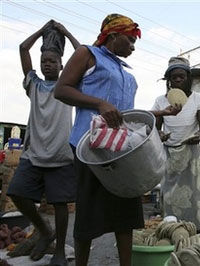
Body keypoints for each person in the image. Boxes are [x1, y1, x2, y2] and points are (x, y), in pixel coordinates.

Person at [54, 14, 179, 266]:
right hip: (91, 146)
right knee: (88, 214)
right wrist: (99, 103)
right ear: (113, 35)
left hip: (122, 150)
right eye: (130, 40)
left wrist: (160, 114)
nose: (133, 47)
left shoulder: (124, 72)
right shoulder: (87, 54)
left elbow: (123, 114)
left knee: (127, 214)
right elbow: (62, 89)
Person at [7, 20, 79, 266]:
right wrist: (41, 31)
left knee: (60, 204)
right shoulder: (34, 85)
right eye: (44, 61)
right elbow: (22, 49)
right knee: (16, 192)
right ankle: (44, 230)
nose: (47, 64)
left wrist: (66, 32)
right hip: (33, 153)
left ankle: (59, 250)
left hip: (60, 154)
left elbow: (82, 58)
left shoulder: (66, 86)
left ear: (62, 65)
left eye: (52, 61)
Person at [152, 57, 200, 231]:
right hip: (169, 152)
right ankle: (173, 229)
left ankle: (196, 229)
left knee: (194, 192)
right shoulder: (161, 101)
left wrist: (199, 135)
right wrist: (160, 134)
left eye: (181, 76)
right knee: (169, 193)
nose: (177, 80)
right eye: (174, 77)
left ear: (188, 78)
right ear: (169, 80)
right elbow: (157, 128)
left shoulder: (198, 98)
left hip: (191, 151)